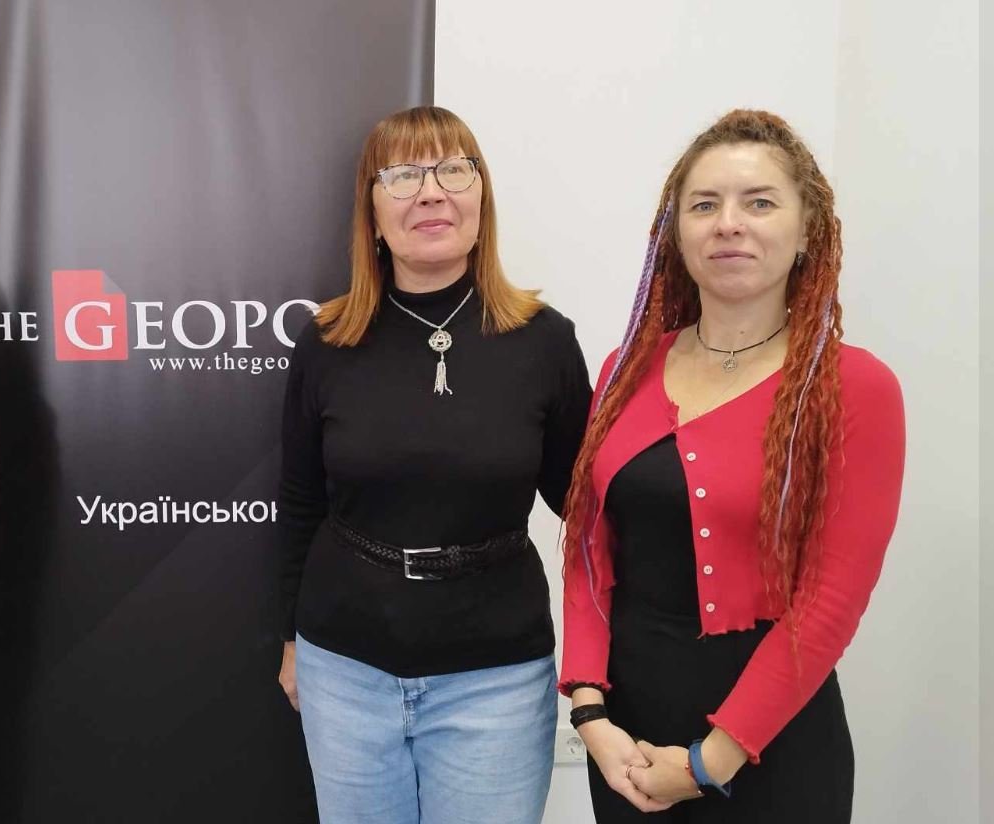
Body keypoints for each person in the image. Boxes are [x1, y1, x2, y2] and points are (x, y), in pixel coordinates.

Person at [559, 109, 905, 823]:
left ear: (807, 230)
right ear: (675, 234)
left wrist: (706, 763)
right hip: (627, 746)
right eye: (703, 205)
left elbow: (831, 601)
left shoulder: (854, 386)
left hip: (773, 750)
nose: (728, 224)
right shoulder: (624, 370)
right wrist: (589, 712)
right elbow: (589, 551)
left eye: (759, 202)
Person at [275, 106, 591, 824]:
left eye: (454, 169)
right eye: (403, 175)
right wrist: (291, 641)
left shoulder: (544, 342)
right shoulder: (326, 341)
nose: (430, 192)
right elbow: (299, 505)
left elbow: (587, 508)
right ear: (372, 211)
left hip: (495, 678)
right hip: (344, 669)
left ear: (481, 197)